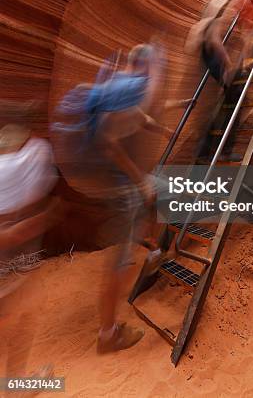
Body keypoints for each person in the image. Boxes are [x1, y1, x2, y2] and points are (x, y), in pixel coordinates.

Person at [53, 44, 173, 353]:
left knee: (154, 196)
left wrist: (162, 129)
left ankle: (153, 247)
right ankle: (109, 334)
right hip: (121, 185)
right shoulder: (131, 87)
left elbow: (135, 118)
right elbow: (109, 141)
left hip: (113, 182)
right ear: (146, 66)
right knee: (118, 261)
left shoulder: (119, 86)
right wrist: (137, 180)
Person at [0, 102, 59, 384]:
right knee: (24, 316)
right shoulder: (36, 154)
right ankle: (15, 384)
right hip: (13, 261)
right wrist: (48, 216)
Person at [186, 0, 253, 162]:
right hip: (215, 57)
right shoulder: (231, 6)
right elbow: (215, 39)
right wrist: (228, 64)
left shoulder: (218, 4)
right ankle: (224, 149)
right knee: (237, 101)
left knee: (229, 103)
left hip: (209, 56)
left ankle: (204, 151)